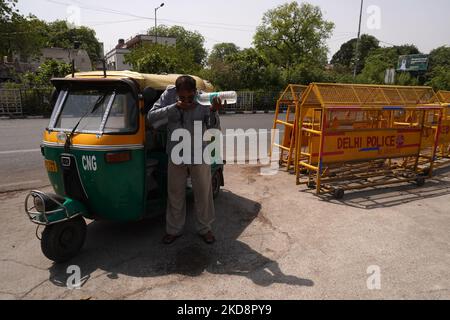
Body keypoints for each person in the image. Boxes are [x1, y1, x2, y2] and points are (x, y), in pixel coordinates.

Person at [147, 75, 222, 245]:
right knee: (175, 193)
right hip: (176, 153)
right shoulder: (169, 95)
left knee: (203, 192)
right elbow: (151, 117)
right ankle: (174, 230)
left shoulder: (203, 99)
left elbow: (212, 127)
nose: (187, 100)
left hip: (199, 152)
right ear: (177, 93)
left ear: (195, 92)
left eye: (190, 97)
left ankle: (205, 229)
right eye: (182, 97)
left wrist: (213, 110)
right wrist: (175, 107)